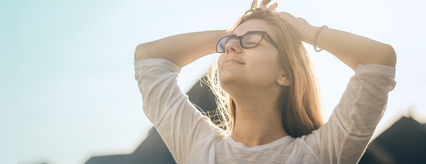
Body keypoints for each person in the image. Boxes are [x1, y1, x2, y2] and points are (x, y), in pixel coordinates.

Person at [134, 0, 396, 163]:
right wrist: (236, 31)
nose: (232, 48)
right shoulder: (198, 147)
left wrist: (307, 32)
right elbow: (148, 57)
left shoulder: (322, 153)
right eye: (228, 44)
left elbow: (378, 59)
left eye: (252, 40)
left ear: (286, 74)